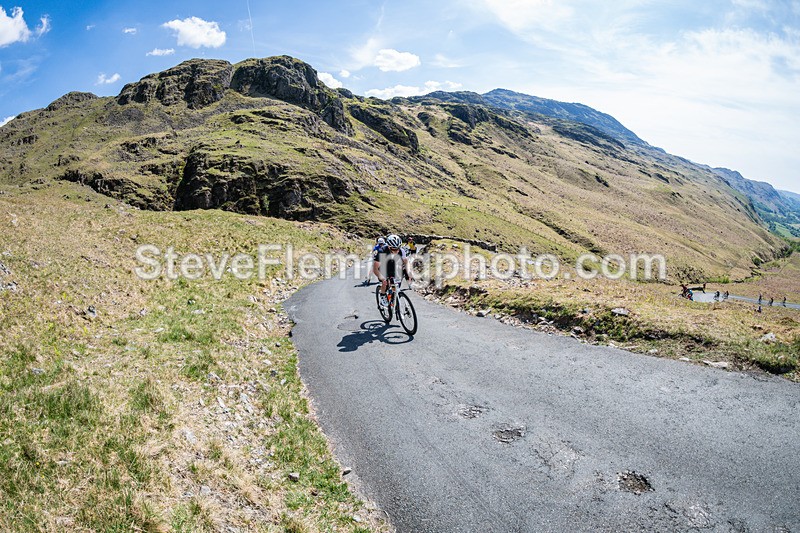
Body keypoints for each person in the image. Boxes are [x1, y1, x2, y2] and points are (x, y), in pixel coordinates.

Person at [374, 234, 410, 307]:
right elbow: (375, 269)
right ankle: (383, 294)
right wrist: (382, 278)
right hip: (383, 268)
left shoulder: (402, 251)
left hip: (394, 267)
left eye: (398, 248)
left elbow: (406, 263)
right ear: (389, 247)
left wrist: (408, 274)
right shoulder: (382, 251)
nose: (396, 251)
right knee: (385, 282)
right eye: (394, 249)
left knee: (396, 286)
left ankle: (394, 298)